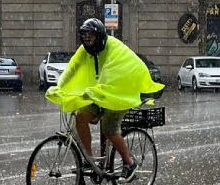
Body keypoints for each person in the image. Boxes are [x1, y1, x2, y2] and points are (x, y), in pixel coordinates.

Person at [46, 18, 165, 175]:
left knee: (109, 128)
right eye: (84, 35)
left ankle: (129, 162)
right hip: (101, 92)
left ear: (99, 36)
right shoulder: (85, 49)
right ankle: (89, 160)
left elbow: (109, 75)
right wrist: (59, 87)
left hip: (121, 92)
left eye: (90, 35)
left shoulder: (113, 48)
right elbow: (72, 68)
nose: (87, 39)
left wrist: (94, 91)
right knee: (81, 117)